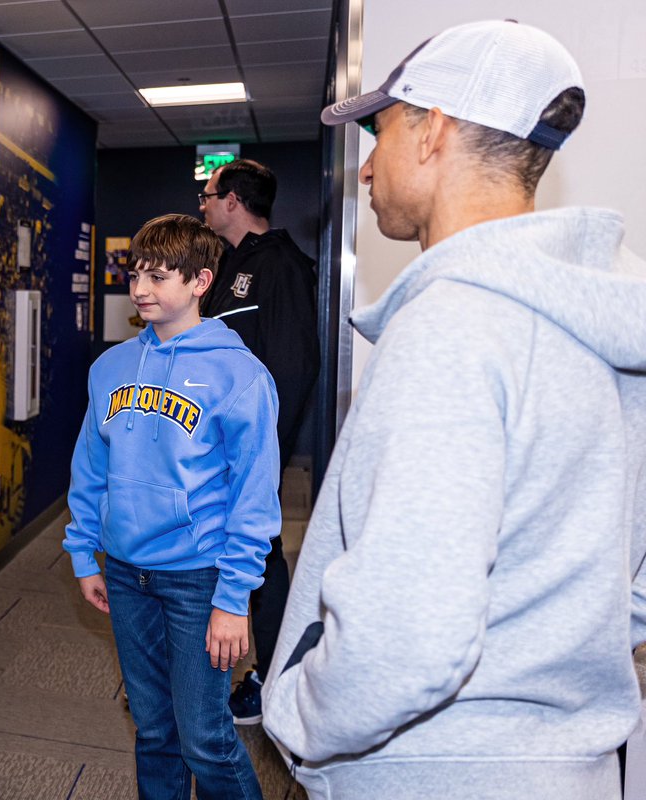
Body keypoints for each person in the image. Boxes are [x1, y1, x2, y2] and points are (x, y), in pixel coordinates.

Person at [261, 20, 646, 800]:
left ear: (432, 130)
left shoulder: (452, 326)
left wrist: (295, 715)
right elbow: (631, 589)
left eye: (384, 130)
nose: (368, 168)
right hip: (569, 770)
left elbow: (405, 640)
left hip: (428, 771)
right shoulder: (610, 316)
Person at [62, 213, 280, 800]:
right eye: (136, 274)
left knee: (206, 737)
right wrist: (85, 555)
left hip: (199, 578)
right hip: (127, 574)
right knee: (154, 729)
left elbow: (255, 497)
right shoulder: (109, 369)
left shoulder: (239, 375)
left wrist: (235, 599)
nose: (140, 290)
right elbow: (90, 470)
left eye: (158, 277)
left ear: (200, 282)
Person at [198, 157, 319, 725]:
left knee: (262, 558)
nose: (202, 203)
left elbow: (292, 370)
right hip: (210, 451)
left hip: (248, 455)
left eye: (209, 193)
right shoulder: (228, 266)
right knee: (219, 560)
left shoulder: (283, 267)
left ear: (234, 202)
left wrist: (262, 460)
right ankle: (205, 674)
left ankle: (271, 683)